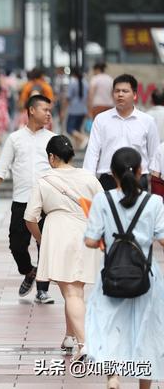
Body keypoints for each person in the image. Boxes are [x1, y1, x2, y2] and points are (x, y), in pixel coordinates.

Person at [84, 147, 164, 389]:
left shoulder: (102, 200)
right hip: (146, 275)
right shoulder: (154, 202)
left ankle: (113, 377)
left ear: (112, 173)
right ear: (140, 172)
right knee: (147, 330)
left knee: (107, 324)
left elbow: (89, 240)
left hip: (112, 273)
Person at [24, 135, 102, 355]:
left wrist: (40, 238)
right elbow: (103, 207)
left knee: (70, 292)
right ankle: (70, 336)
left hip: (58, 233)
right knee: (76, 289)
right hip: (86, 234)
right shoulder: (89, 177)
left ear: (51, 157)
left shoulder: (44, 180)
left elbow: (30, 217)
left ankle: (85, 343)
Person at [0, 94, 56, 304]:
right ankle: (28, 271)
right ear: (32, 110)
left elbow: (61, 168)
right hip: (22, 200)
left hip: (46, 201)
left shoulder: (53, 139)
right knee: (16, 244)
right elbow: (2, 167)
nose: (48, 114)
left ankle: (42, 290)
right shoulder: (15, 138)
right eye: (45, 109)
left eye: (50, 110)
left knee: (45, 245)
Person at [83, 74, 160, 191]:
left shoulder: (147, 121)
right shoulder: (101, 119)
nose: (120, 94)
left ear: (134, 95)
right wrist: (88, 181)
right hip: (108, 180)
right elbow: (92, 152)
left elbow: (154, 155)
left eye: (125, 91)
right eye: (117, 91)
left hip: (138, 180)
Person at [61, 68, 89, 150]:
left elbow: (68, 98)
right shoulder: (85, 83)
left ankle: (83, 138)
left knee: (69, 129)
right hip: (83, 109)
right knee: (77, 129)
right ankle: (77, 146)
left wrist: (63, 110)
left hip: (74, 109)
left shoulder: (73, 83)